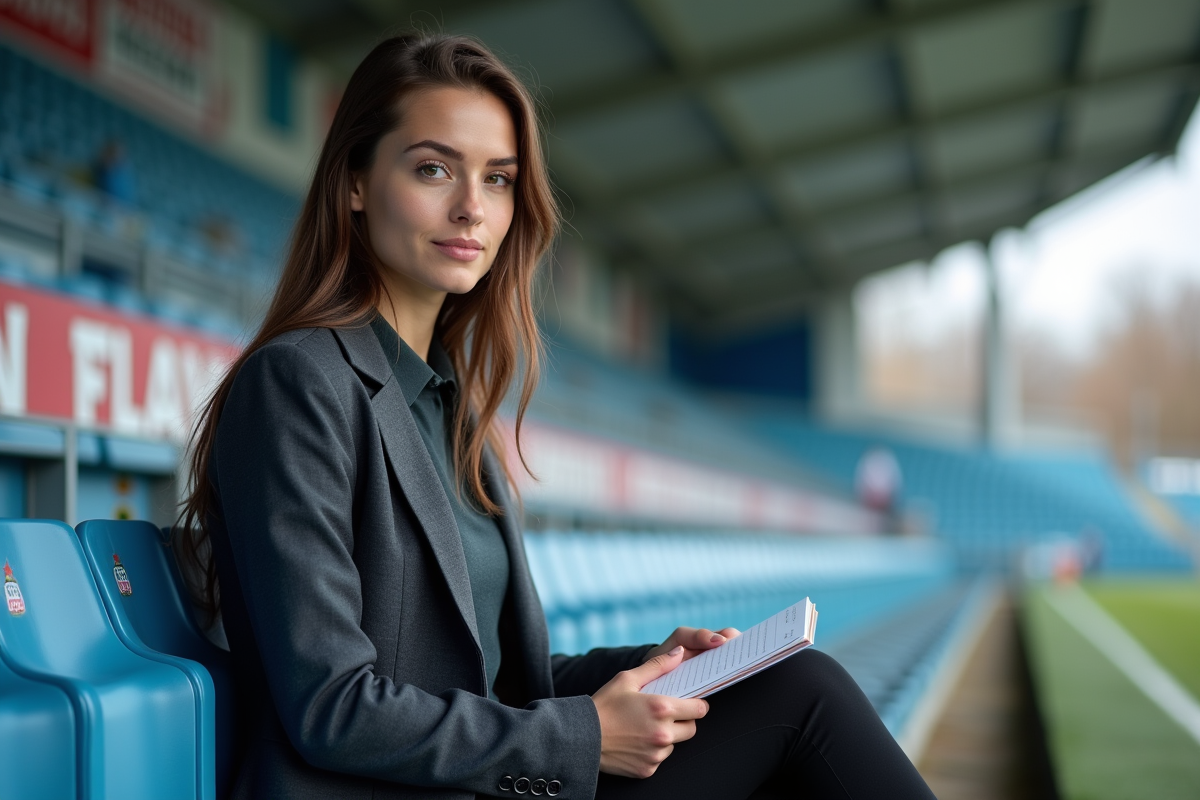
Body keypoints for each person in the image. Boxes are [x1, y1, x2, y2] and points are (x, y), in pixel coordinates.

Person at [177, 34, 937, 800]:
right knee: (803, 701)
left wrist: (653, 669)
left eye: (498, 179)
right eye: (434, 169)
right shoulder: (297, 384)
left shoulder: (450, 404)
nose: (472, 207)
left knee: (783, 682)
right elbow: (332, 707)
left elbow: (503, 683)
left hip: (478, 782)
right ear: (355, 183)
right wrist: (587, 736)